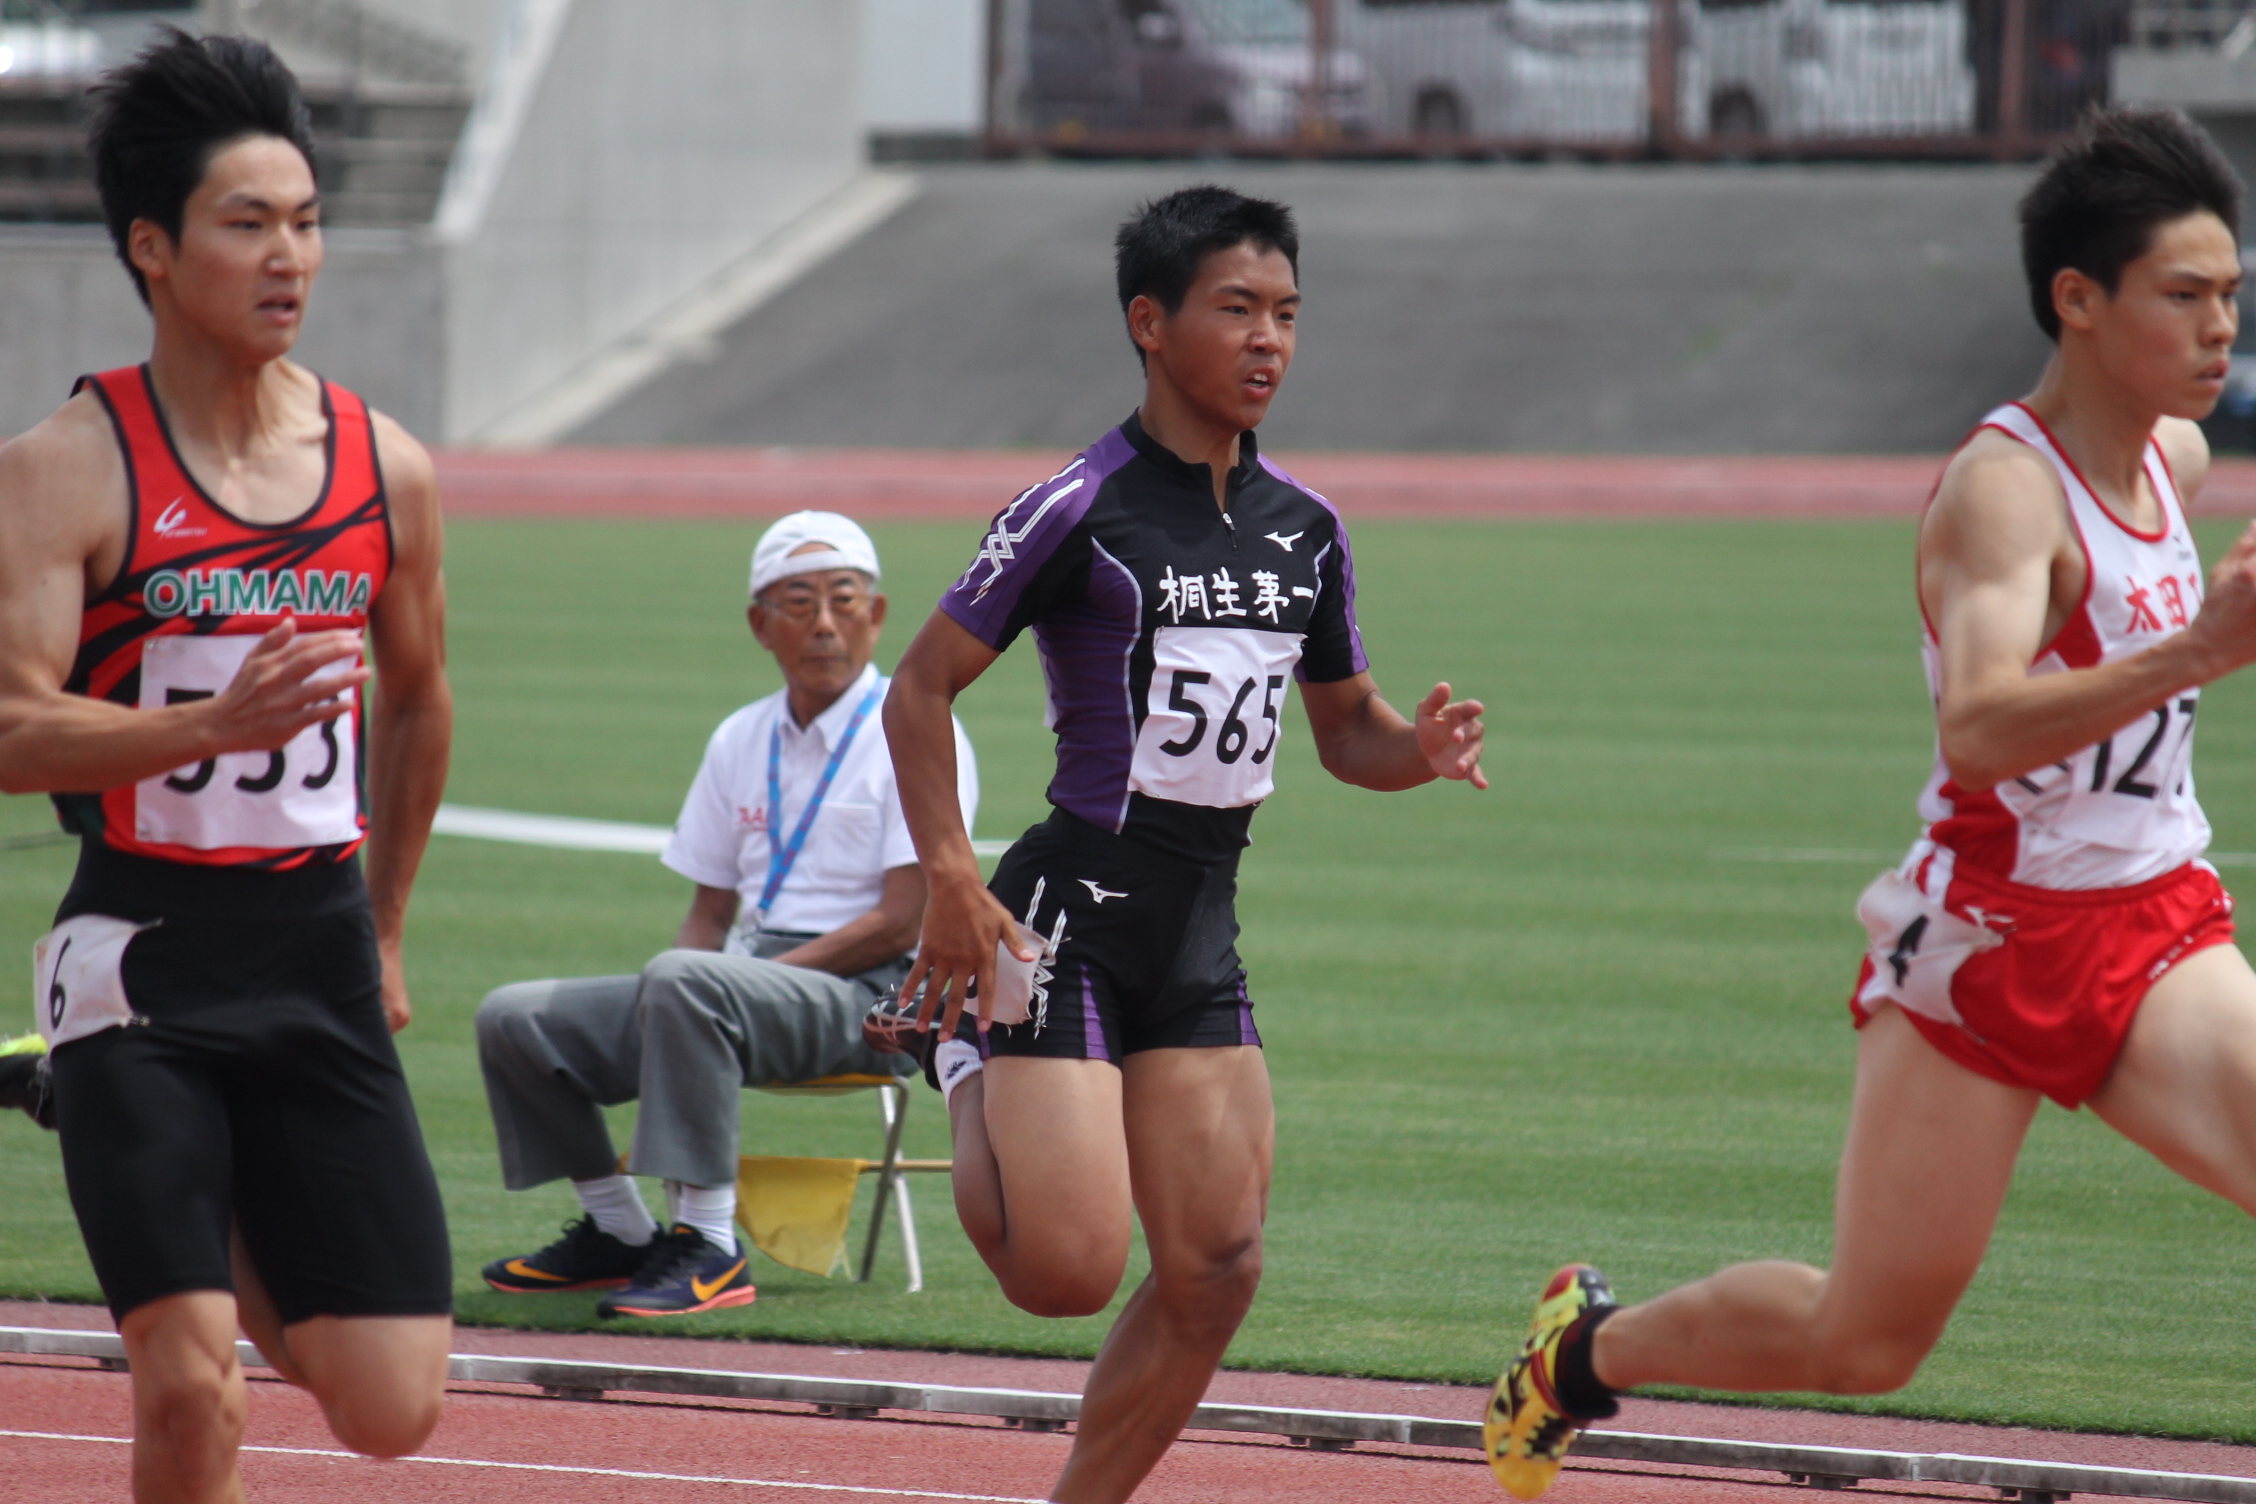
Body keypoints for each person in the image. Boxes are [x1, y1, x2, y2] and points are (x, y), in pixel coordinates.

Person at [1484, 106, 2256, 1501]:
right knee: (1865, 1341)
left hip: (2153, 927)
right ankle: (1581, 1353)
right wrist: (2199, 650)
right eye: (2186, 295)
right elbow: (1979, 727)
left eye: (2232, 294)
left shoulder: (2172, 458)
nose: (2221, 329)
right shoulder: (2003, 492)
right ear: (2079, 300)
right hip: (1989, 949)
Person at [876, 185, 1489, 1504]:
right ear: (1150, 324)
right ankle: (960, 1051)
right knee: (1065, 1273)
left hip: (1199, 924)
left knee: (1218, 1267)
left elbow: (1348, 733)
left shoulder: (1306, 529)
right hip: (1062, 920)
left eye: (1288, 314)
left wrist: (1421, 751)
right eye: (1238, 309)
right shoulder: (1075, 507)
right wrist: (952, 880)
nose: (1269, 340)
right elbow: (916, 689)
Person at [0, 30, 455, 1501]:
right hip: (144, 960)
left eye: (306, 223)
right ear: (152, 244)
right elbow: (10, 727)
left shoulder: (384, 467)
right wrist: (207, 728)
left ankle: (163, 1147)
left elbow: (420, 700)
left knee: (390, 1405)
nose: (289, 259)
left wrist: (387, 927)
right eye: (248, 224)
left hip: (316, 954)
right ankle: (103, 1092)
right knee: (194, 1392)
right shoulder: (66, 467)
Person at [475, 512, 977, 1318]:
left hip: (871, 996)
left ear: (877, 615)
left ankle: (709, 1244)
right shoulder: (740, 737)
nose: (824, 623)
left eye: (844, 600)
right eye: (799, 603)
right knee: (515, 1018)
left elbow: (901, 922)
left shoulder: (917, 731)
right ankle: (619, 1231)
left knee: (687, 982)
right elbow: (707, 914)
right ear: (759, 624)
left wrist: (724, 981)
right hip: (733, 984)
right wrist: (686, 990)